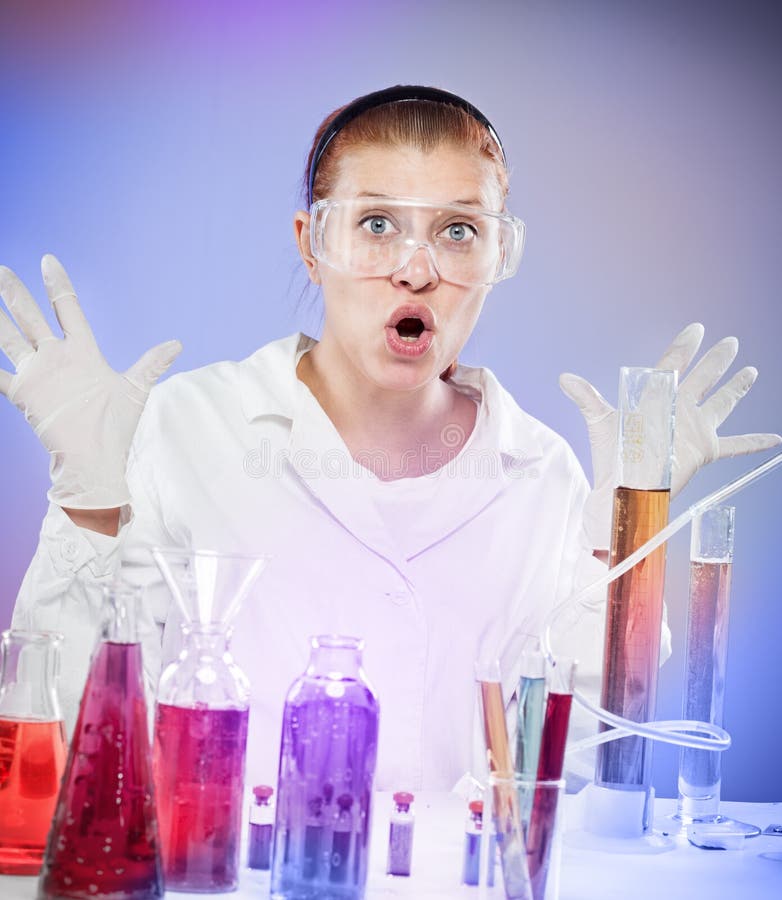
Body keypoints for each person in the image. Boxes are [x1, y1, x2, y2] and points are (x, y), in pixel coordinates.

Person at [1, 86, 778, 791]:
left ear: (498, 255)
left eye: (459, 231)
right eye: (375, 224)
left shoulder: (540, 473)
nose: (416, 270)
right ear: (312, 242)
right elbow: (68, 747)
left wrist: (625, 536)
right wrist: (91, 505)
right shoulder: (190, 428)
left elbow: (583, 769)